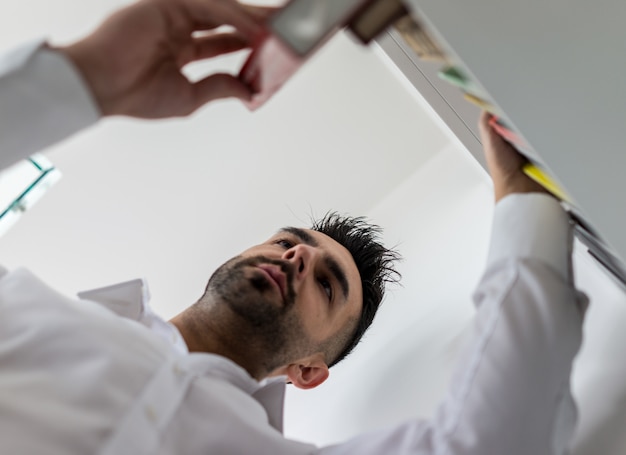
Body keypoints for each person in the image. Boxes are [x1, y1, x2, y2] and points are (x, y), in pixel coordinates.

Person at [0, 0, 588, 454]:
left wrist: (520, 202)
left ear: (307, 372)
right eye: (287, 242)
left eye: (327, 286)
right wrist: (88, 76)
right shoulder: (19, 305)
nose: (296, 260)